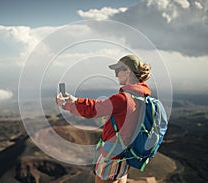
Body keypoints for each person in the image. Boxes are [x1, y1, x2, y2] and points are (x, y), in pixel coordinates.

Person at [56, 55, 151, 183]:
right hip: (125, 154)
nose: (116, 75)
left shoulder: (123, 99)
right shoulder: (141, 96)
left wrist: (65, 105)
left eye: (118, 70)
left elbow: (94, 110)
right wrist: (77, 100)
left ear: (128, 71)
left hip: (112, 154)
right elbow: (103, 104)